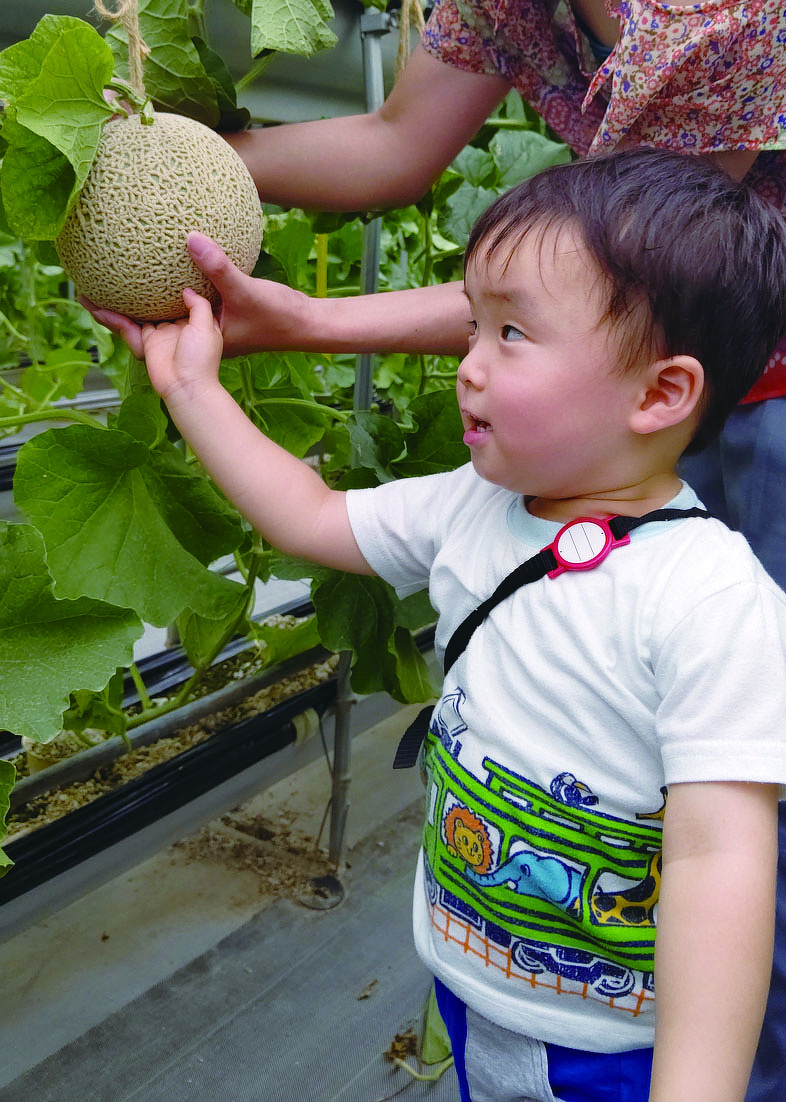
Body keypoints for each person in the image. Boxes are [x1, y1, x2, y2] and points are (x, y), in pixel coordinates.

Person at [86, 5, 786, 1094]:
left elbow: (720, 860)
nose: (467, 362)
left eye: (508, 334)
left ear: (660, 394)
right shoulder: (475, 505)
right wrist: (192, 388)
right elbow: (309, 515)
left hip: (612, 1054)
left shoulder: (716, 599)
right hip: (474, 1005)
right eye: (472, 325)